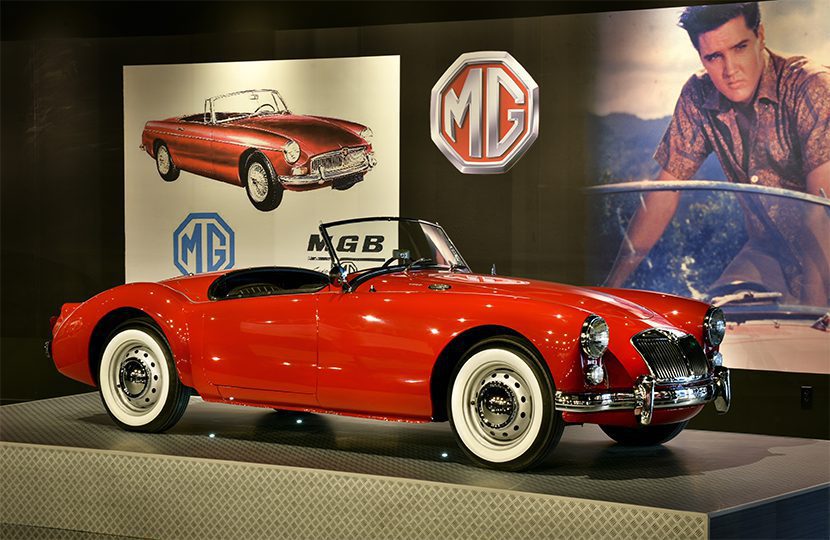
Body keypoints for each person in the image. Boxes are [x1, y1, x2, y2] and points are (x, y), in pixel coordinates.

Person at [605, 2, 830, 306]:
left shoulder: (810, 87)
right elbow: (665, 189)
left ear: (760, 35)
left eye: (740, 47)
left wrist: (812, 307)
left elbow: (821, 207)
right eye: (714, 57)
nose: (730, 70)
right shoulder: (698, 95)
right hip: (770, 251)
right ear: (701, 56)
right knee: (718, 321)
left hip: (824, 247)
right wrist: (611, 287)